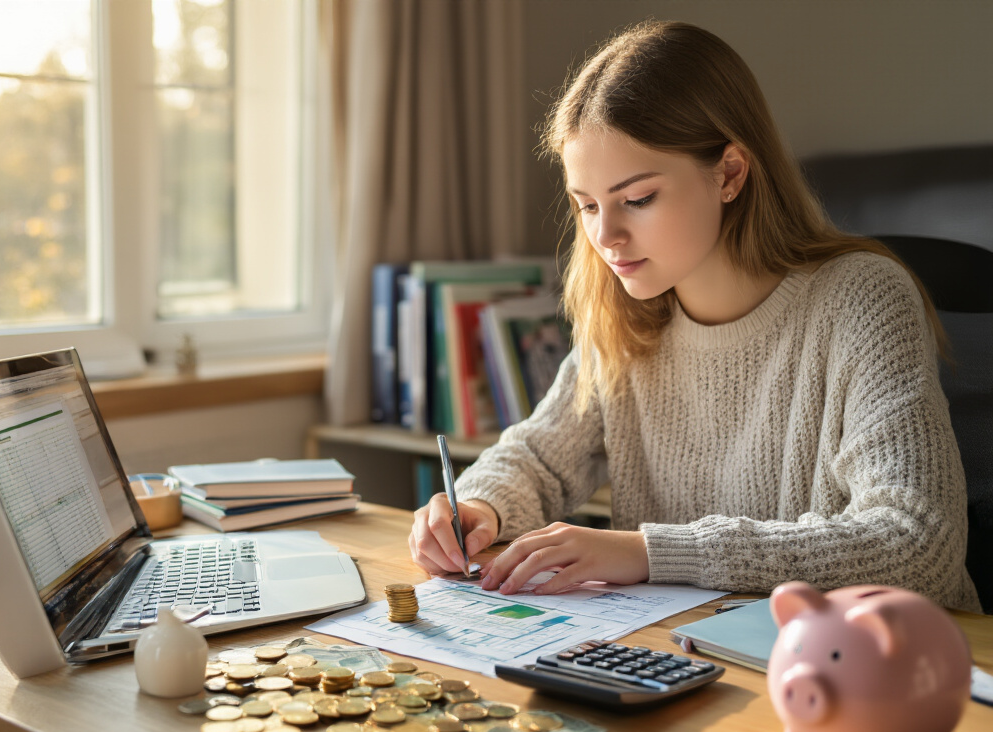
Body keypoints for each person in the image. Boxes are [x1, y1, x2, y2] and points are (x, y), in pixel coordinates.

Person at [408, 20, 981, 613]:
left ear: (729, 173)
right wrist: (479, 507)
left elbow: (920, 546)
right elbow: (538, 459)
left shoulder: (862, 298)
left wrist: (651, 554)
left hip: (882, 666)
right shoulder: (625, 314)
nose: (607, 236)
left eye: (638, 199)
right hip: (697, 654)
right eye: (587, 205)